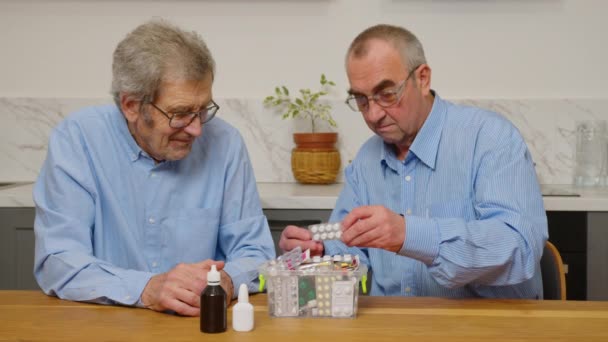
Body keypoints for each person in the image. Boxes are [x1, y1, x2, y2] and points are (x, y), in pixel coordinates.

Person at [279, 24, 548, 298]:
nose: (373, 115)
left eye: (386, 94)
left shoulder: (490, 138)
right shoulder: (366, 160)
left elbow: (520, 249)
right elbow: (350, 248)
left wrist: (411, 235)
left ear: (422, 79)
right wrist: (320, 252)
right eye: (361, 99)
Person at [33, 19, 275, 316]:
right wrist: (146, 288)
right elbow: (58, 261)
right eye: (181, 113)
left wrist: (226, 280)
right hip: (105, 325)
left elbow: (257, 254)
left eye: (203, 110)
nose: (197, 129)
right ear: (131, 105)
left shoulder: (226, 144)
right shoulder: (77, 141)